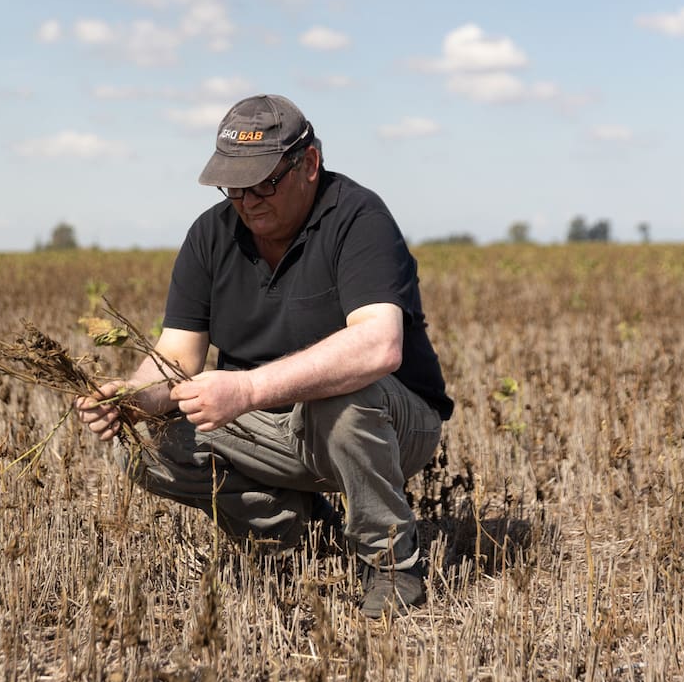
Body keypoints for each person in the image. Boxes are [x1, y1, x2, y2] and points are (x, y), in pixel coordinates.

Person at [76, 94, 453, 619]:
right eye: (234, 187)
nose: (248, 201)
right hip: (268, 425)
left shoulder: (358, 218)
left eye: (263, 184)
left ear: (309, 164)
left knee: (339, 397)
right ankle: (296, 532)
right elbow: (177, 355)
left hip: (389, 421)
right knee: (146, 445)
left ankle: (391, 564)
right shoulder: (210, 235)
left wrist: (248, 388)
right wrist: (135, 398)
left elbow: (378, 345)